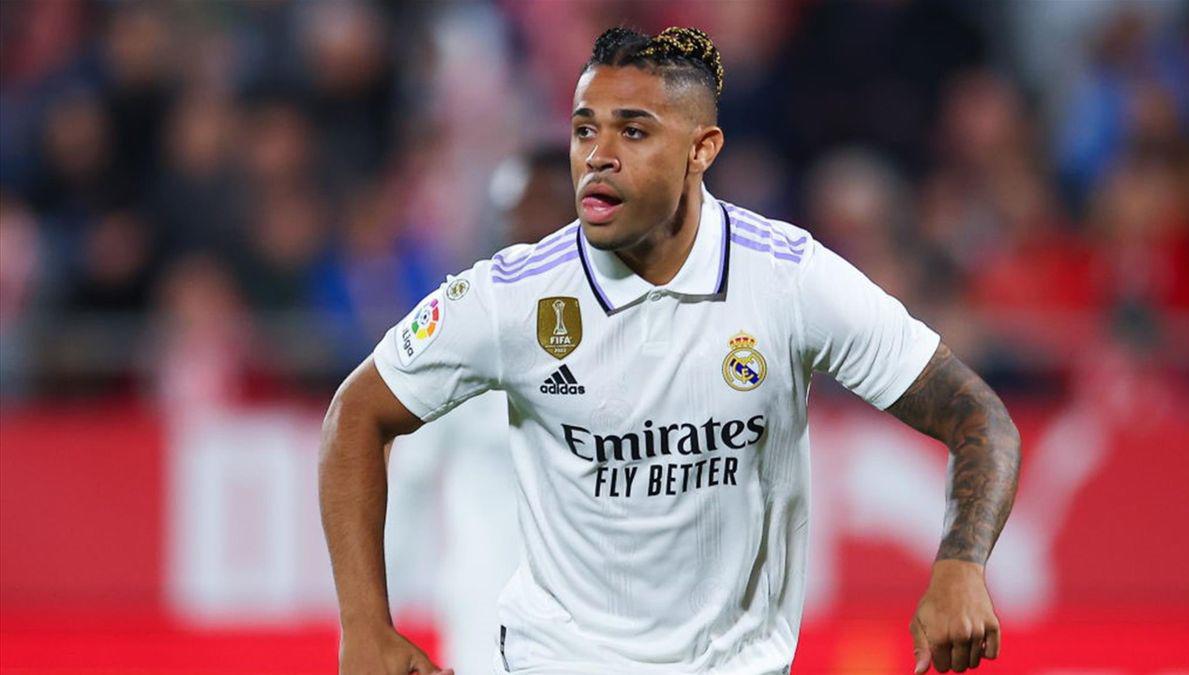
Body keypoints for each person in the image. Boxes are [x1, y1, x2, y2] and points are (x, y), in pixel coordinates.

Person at [319, 26, 1021, 675]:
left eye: (633, 130)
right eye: (584, 129)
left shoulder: (788, 279)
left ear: (701, 149)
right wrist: (364, 626)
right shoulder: (513, 295)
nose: (598, 155)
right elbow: (356, 412)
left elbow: (979, 417)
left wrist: (962, 564)